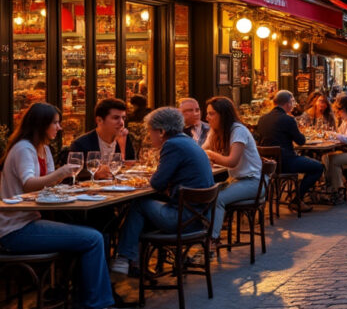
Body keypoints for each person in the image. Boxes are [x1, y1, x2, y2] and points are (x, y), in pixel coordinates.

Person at [0, 103, 115, 309]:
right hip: (15, 229)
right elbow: (29, 184)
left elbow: (51, 186)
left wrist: (78, 189)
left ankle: (81, 296)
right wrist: (62, 173)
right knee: (93, 238)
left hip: (31, 221)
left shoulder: (44, 149)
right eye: (55, 123)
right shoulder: (24, 148)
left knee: (92, 233)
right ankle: (95, 304)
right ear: (41, 124)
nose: (59, 127)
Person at [112, 107, 215, 274]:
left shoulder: (172, 145)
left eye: (150, 131)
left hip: (184, 220)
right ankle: (135, 263)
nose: (149, 136)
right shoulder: (188, 141)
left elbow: (157, 183)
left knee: (138, 204)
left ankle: (124, 258)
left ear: (161, 131)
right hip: (200, 218)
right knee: (142, 211)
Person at [202, 97, 262, 247]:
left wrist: (211, 155)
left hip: (253, 182)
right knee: (206, 194)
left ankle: (212, 240)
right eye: (207, 113)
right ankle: (204, 234)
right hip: (237, 180)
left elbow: (232, 161)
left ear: (223, 115)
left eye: (211, 114)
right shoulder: (216, 131)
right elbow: (201, 151)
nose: (207, 117)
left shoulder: (238, 130)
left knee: (217, 198)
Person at [256, 90, 324, 212]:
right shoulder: (288, 120)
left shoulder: (262, 119)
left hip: (267, 164)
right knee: (318, 167)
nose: (293, 105)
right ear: (288, 104)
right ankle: (297, 199)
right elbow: (301, 141)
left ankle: (292, 197)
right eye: (292, 102)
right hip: (285, 163)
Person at [68, 98, 136, 178]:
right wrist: (95, 175)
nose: (121, 123)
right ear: (99, 120)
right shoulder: (81, 144)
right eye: (116, 118)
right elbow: (72, 174)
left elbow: (130, 165)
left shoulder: (124, 139)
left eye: (123, 118)